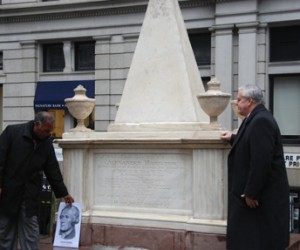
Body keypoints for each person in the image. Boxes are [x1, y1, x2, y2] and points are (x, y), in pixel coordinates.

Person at [220, 85, 290, 250]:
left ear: (250, 101)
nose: (236, 103)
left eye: (238, 100)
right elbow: (251, 141)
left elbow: (261, 160)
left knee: (257, 240)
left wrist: (251, 192)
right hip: (258, 197)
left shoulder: (261, 121)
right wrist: (232, 137)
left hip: (260, 197)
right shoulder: (255, 117)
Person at [0, 111, 74, 249]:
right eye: (46, 130)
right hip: (8, 192)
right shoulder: (12, 132)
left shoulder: (46, 143)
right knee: (6, 231)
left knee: (31, 232)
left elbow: (53, 170)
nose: (48, 134)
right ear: (37, 124)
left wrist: (64, 193)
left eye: (50, 131)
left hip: (29, 194)